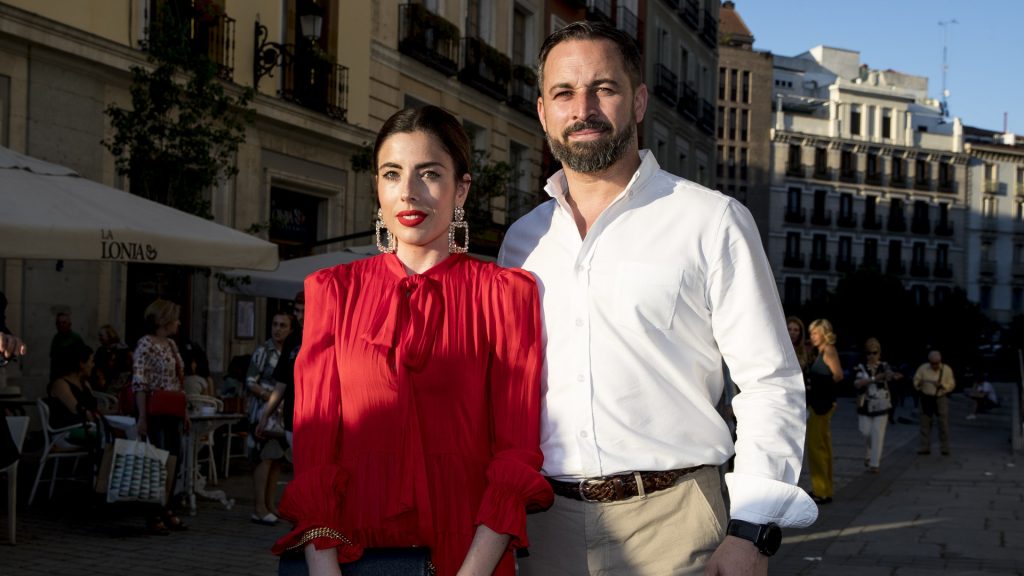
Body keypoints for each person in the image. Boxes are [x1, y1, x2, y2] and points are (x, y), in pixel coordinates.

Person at [498, 21, 817, 575]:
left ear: (639, 100)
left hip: (678, 528)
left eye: (605, 87)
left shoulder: (711, 221)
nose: (584, 108)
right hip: (541, 529)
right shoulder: (522, 241)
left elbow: (770, 382)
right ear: (543, 110)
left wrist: (752, 531)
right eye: (564, 93)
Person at [271, 105, 552, 576]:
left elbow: (516, 451)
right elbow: (315, 449)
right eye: (392, 173)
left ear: (461, 188)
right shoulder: (332, 292)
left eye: (429, 174)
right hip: (352, 555)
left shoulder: (506, 295)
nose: (409, 192)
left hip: (470, 554)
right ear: (377, 189)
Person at [132, 298, 189, 534]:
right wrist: (142, 417)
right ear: (164, 320)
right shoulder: (146, 344)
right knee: (157, 459)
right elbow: (140, 382)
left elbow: (178, 380)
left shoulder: (171, 346)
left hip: (173, 408)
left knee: (176, 458)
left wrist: (184, 412)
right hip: (155, 409)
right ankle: (153, 511)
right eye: (175, 318)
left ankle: (167, 506)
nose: (178, 323)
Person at [246, 311, 295, 525]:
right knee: (264, 457)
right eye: (275, 324)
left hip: (281, 416)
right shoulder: (263, 351)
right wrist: (270, 397)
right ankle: (258, 507)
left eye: (282, 325)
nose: (277, 329)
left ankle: (270, 504)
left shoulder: (291, 351)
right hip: (263, 410)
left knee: (276, 459)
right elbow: (250, 381)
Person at [257, 292, 304, 458]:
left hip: (318, 417)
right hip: (293, 416)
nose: (299, 316)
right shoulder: (292, 340)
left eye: (303, 311)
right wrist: (265, 415)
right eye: (297, 311)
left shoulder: (326, 336)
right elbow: (281, 384)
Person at [804, 319, 843, 505]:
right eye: (811, 333)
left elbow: (838, 375)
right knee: (821, 447)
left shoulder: (828, 350)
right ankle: (823, 488)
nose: (812, 336)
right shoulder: (819, 351)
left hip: (822, 404)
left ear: (824, 333)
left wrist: (821, 386)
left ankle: (822, 491)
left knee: (816, 447)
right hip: (820, 403)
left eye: (815, 333)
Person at [852, 338, 901, 473]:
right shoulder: (860, 366)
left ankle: (875, 464)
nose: (872, 356)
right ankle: (869, 452)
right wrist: (874, 379)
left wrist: (892, 375)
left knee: (878, 434)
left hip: (881, 404)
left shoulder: (884, 366)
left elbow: (889, 374)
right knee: (866, 432)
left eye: (874, 352)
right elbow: (857, 383)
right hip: (864, 405)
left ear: (879, 353)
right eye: (869, 353)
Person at [46, 342, 103, 449]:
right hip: (66, 432)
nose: (93, 365)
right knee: (107, 436)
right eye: (91, 361)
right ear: (81, 363)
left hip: (86, 426)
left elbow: (93, 410)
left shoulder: (85, 384)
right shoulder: (60, 384)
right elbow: (76, 409)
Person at [913, 350, 955, 455]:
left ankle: (944, 448)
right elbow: (915, 381)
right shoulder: (923, 368)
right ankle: (924, 447)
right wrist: (919, 383)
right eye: (933, 363)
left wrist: (942, 386)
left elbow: (952, 384)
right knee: (925, 424)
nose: (935, 365)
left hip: (940, 397)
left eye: (937, 363)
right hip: (926, 398)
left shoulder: (946, 369)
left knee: (943, 424)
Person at [93, 324, 133, 394]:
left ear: (109, 335)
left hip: (119, 382)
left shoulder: (122, 349)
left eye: (101, 335)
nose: (99, 338)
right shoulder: (101, 350)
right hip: (105, 382)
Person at [49, 311, 85, 384]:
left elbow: (83, 359)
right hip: (57, 377)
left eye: (64, 322)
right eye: (59, 323)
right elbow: (53, 359)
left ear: (69, 324)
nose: (61, 325)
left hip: (71, 378)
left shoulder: (76, 338)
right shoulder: (56, 338)